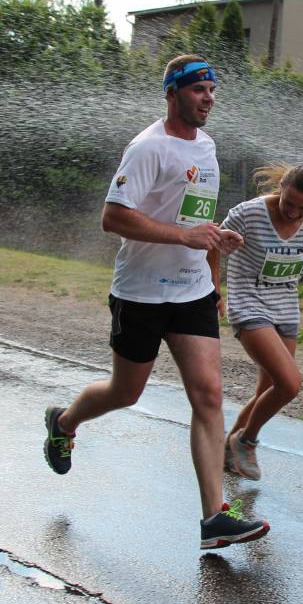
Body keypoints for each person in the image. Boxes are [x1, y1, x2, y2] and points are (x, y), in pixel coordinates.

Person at [42, 54, 270, 550]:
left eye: (212, 91)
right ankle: (64, 422)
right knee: (126, 392)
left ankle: (214, 518)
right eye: (197, 90)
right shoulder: (147, 148)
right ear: (173, 93)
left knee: (208, 395)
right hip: (141, 292)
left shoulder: (207, 147)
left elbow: (196, 220)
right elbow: (114, 218)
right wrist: (183, 236)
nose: (208, 99)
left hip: (192, 291)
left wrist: (212, 258)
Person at [209, 163, 303, 480]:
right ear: (281, 190)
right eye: (289, 203)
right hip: (249, 300)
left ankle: (228, 451)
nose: (293, 213)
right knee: (289, 384)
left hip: (286, 303)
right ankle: (246, 440)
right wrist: (214, 289)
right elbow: (213, 246)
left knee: (270, 388)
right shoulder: (247, 213)